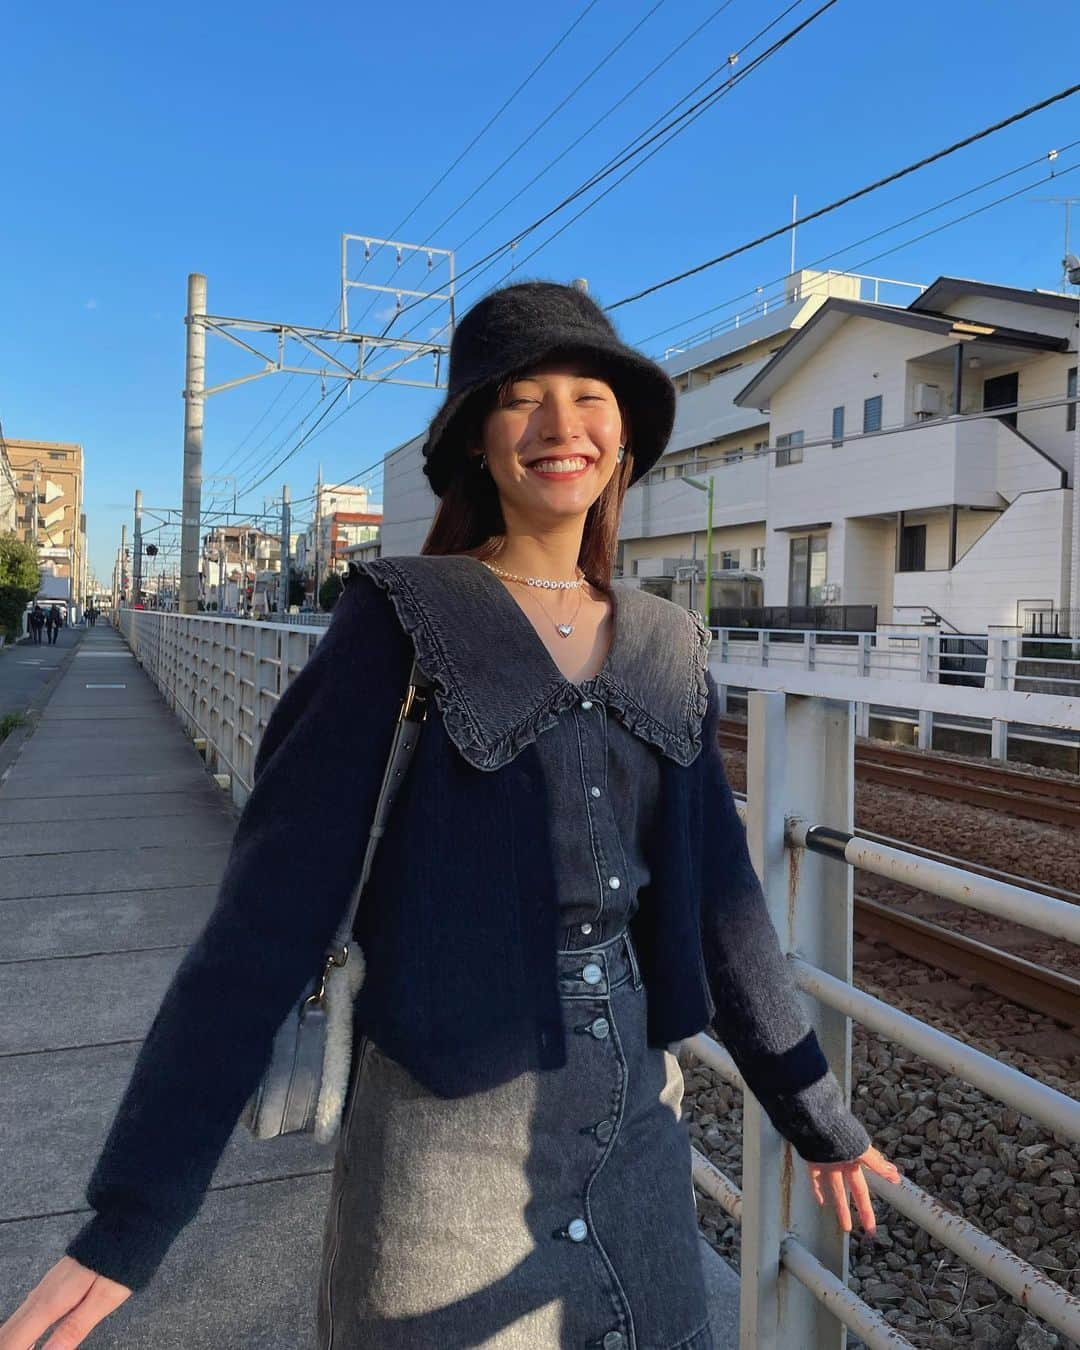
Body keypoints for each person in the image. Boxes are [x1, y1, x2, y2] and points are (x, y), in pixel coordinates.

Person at [0, 281, 900, 1350]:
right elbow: (267, 921)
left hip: (639, 1135)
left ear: (625, 435)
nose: (561, 425)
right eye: (521, 398)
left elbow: (727, 911)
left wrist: (817, 1117)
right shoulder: (401, 620)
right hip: (440, 1147)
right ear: (478, 438)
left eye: (590, 396)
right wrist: (132, 1217)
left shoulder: (669, 644)